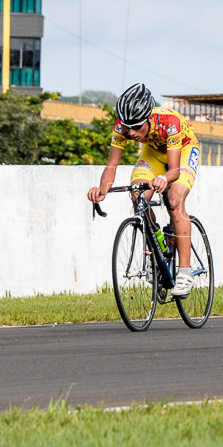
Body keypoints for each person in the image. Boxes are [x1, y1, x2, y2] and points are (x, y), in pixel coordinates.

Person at [87, 83, 200, 298]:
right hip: (153, 154)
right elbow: (111, 166)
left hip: (183, 151)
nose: (131, 132)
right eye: (127, 127)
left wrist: (163, 178)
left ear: (148, 118)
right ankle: (157, 245)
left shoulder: (170, 122)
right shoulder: (123, 127)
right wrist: (101, 190)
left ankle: (185, 273)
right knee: (138, 196)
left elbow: (174, 170)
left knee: (174, 201)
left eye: (137, 126)